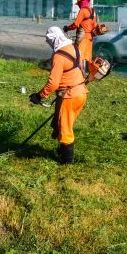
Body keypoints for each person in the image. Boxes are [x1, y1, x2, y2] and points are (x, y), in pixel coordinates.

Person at [29, 27, 88, 164]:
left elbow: (53, 84)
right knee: (64, 124)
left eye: (49, 41)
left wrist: (39, 96)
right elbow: (82, 67)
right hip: (81, 92)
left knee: (65, 129)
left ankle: (66, 163)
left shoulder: (58, 56)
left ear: (53, 40)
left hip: (69, 96)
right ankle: (62, 152)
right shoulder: (74, 47)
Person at [63, 0, 98, 70]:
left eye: (78, 4)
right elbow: (95, 25)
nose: (78, 5)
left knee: (79, 55)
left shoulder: (83, 10)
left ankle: (80, 73)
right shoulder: (93, 11)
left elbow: (75, 24)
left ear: (80, 3)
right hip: (90, 37)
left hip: (83, 37)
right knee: (88, 56)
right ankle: (91, 72)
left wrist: (67, 28)